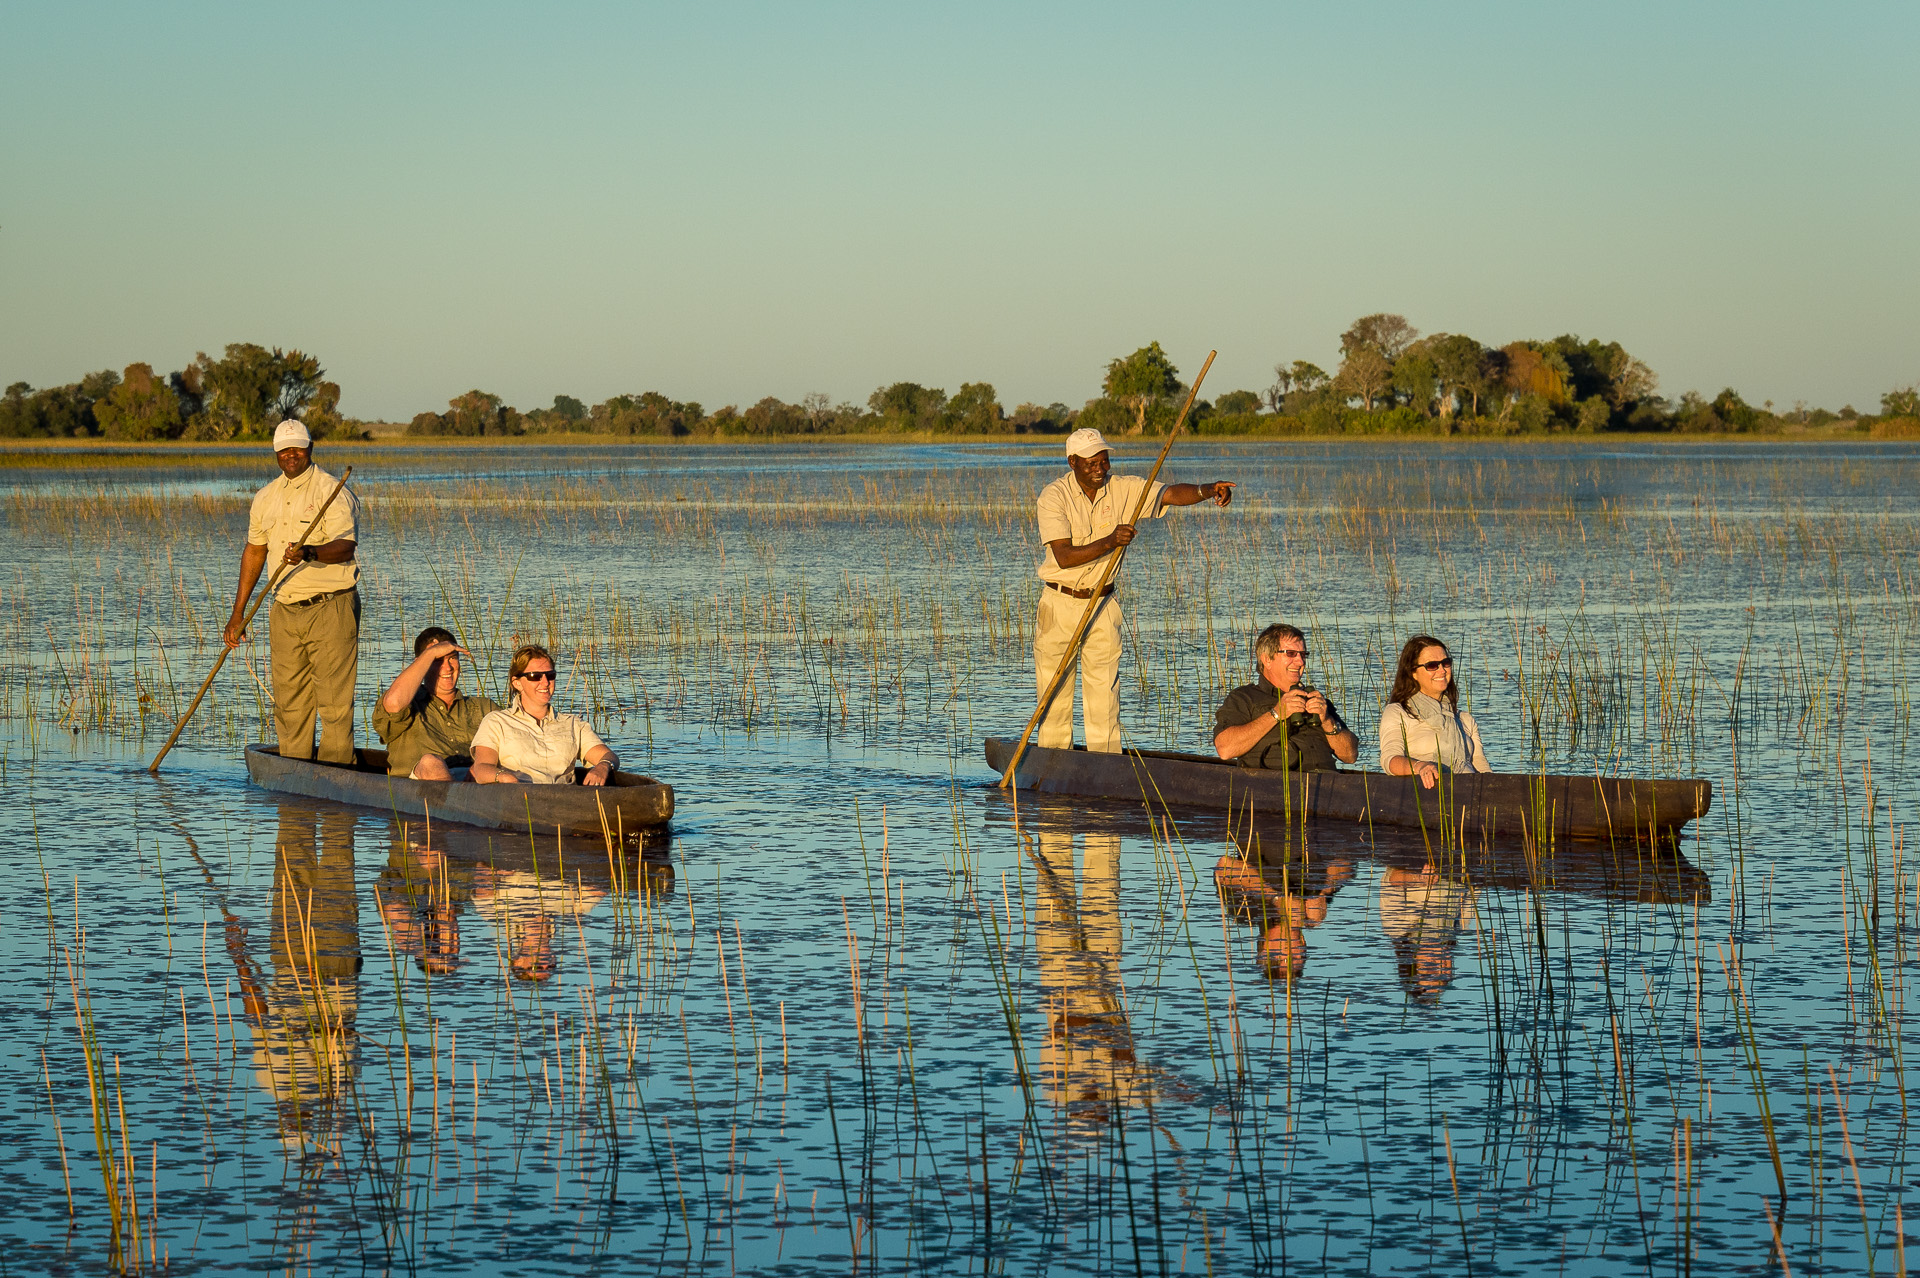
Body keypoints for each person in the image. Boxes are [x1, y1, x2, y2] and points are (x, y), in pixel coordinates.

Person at [1033, 428, 1235, 752]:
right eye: (1091, 463)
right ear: (1072, 462)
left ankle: (1104, 767)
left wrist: (1206, 489)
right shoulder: (1053, 496)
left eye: (1104, 460)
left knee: (1105, 697)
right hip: (1060, 602)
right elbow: (1064, 556)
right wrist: (1110, 541)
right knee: (1055, 696)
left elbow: (1169, 494)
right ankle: (1055, 768)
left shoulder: (1125, 488)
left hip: (1102, 602)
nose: (1101, 468)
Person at [222, 418, 362, 764]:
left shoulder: (333, 491)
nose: (291, 455)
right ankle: (295, 786)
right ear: (275, 453)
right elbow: (255, 551)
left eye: (297, 447)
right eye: (284, 449)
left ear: (310, 447)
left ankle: (334, 783)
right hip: (284, 609)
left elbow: (346, 547)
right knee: (290, 703)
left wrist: (310, 552)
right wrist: (238, 613)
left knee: (333, 703)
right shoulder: (265, 497)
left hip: (330, 606)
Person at [1212, 623, 1358, 770]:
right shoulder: (1244, 698)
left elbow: (1350, 755)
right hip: (1273, 787)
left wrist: (1327, 721)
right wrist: (1275, 714)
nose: (1300, 662)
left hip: (1329, 785)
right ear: (1267, 659)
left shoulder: (1316, 700)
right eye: (1291, 653)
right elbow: (1225, 749)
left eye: (1303, 654)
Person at [469, 645, 618, 785]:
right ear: (517, 683)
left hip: (564, 800)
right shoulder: (496, 722)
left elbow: (609, 756)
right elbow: (481, 768)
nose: (545, 682)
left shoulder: (573, 724)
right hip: (517, 799)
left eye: (550, 675)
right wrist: (504, 777)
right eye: (535, 676)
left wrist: (603, 766)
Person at [371, 626, 501, 779]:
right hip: (421, 787)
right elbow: (393, 704)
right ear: (421, 664)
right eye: (437, 660)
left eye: (452, 658)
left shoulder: (484, 707)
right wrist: (430, 653)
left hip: (473, 781)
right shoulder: (409, 704)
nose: (447, 667)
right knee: (430, 762)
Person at [1378, 634, 1490, 788]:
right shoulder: (1398, 712)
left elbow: (1481, 766)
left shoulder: (1465, 719)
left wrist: (1494, 788)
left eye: (1446, 663)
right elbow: (1389, 760)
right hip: (1427, 796)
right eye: (1432, 665)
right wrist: (1420, 767)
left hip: (1469, 793)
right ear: (1413, 672)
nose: (1442, 670)